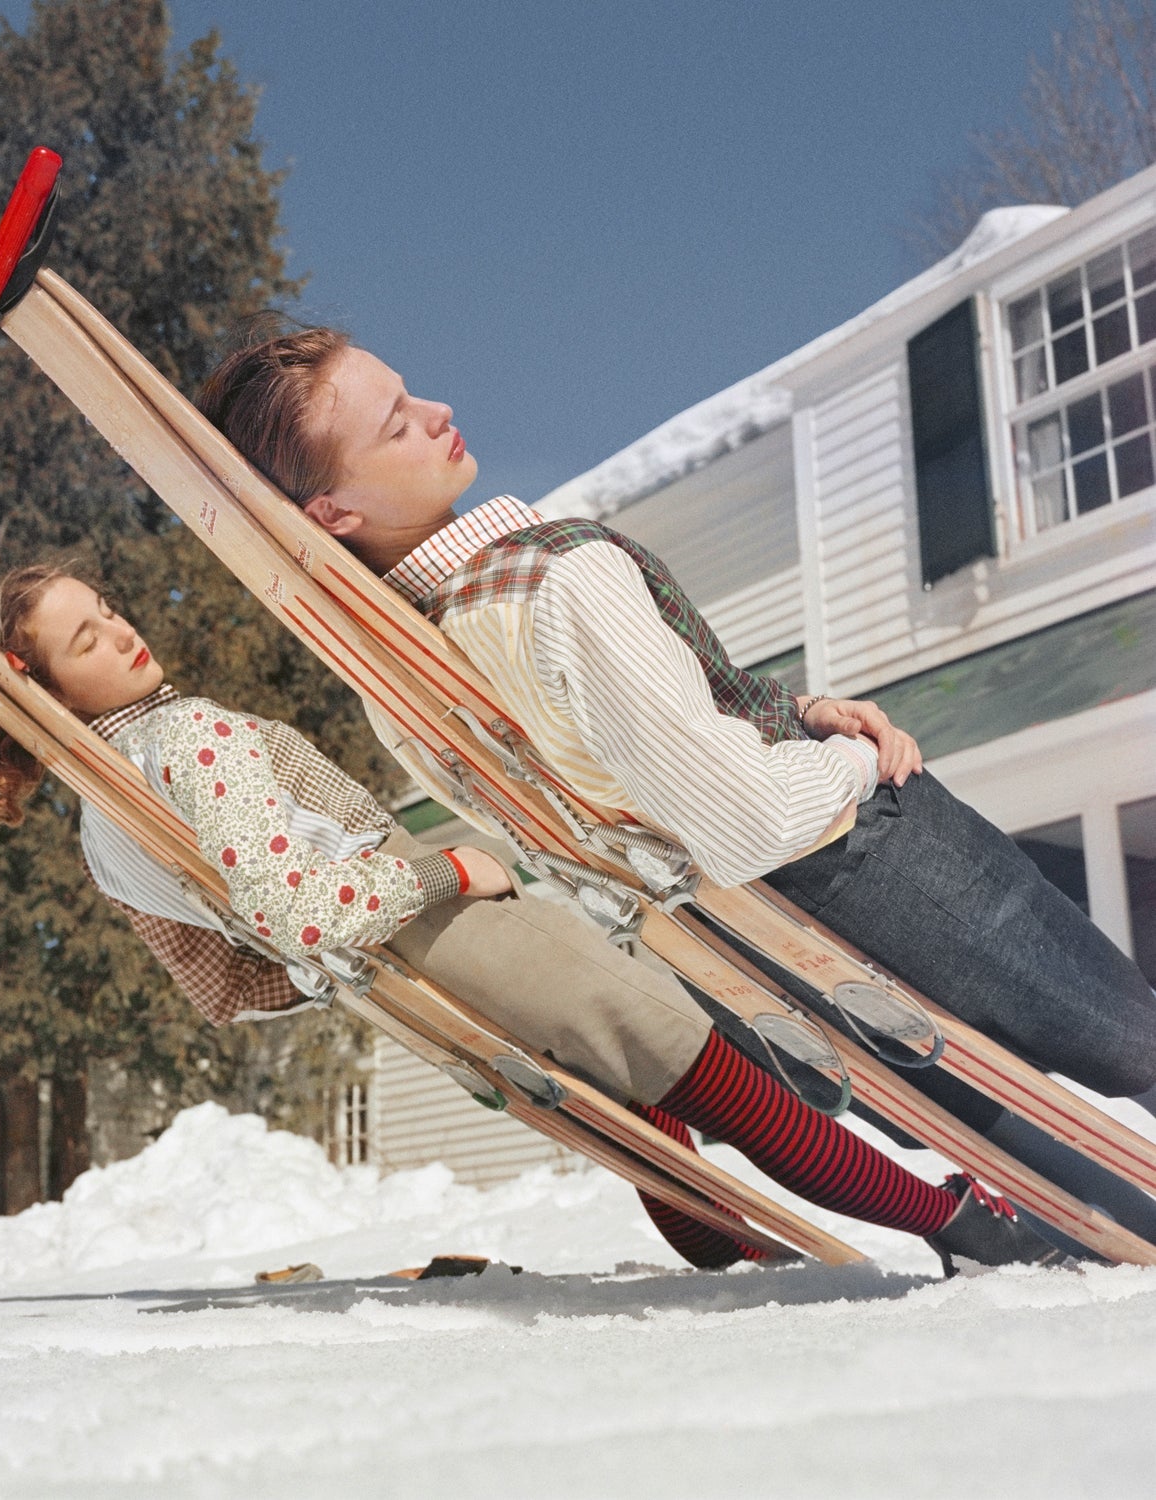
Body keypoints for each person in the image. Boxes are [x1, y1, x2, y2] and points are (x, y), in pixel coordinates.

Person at [195, 324, 1156, 1244]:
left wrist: (796, 711)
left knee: (997, 1132)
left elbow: (623, 772)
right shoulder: (556, 583)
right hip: (853, 856)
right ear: (332, 514)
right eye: (397, 422)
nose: (440, 410)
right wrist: (859, 762)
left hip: (736, 944)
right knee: (1119, 1036)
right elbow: (750, 815)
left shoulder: (400, 681)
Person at [0, 564, 1058, 1275]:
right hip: (435, 919)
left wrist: (326, 972)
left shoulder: (100, 825)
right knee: (708, 1071)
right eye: (83, 637)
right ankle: (957, 1224)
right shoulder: (189, 740)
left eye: (108, 607)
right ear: (46, 684)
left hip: (397, 973)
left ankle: (727, 1251)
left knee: (636, 1101)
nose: (118, 631)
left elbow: (219, 983)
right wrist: (446, 871)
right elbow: (298, 908)